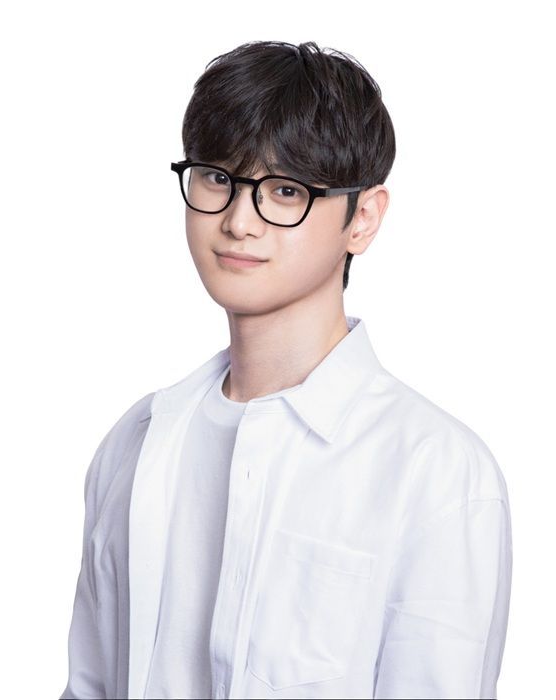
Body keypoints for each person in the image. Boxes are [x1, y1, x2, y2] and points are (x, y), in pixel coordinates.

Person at [59, 40, 512, 700]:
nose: (239, 221)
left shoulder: (435, 471)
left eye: (285, 190)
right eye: (217, 178)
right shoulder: (136, 440)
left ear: (363, 218)